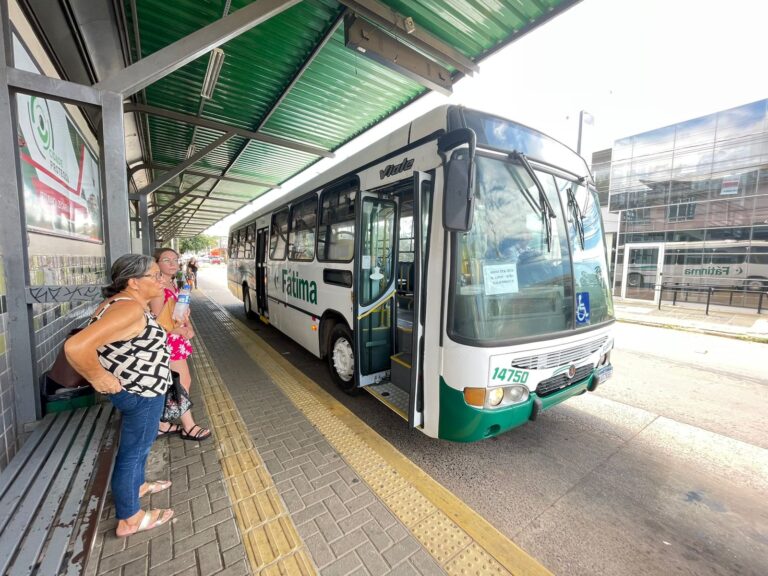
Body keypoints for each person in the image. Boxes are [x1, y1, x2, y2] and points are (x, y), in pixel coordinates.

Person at [65, 254, 174, 538]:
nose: (161, 279)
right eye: (154, 275)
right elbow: (76, 347)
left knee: (139, 447)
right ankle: (129, 518)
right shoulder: (128, 310)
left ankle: (136, 486)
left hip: (137, 390)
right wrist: (99, 378)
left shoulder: (121, 304)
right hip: (142, 393)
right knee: (134, 451)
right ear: (133, 282)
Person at [152, 248, 212, 441]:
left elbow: (180, 313)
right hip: (168, 342)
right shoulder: (158, 288)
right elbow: (159, 322)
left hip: (176, 340)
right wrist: (182, 331)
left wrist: (189, 327)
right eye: (166, 260)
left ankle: (161, 425)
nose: (172, 263)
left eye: (175, 259)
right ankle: (188, 427)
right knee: (182, 383)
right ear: (156, 263)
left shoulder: (172, 283)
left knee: (176, 383)